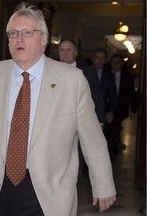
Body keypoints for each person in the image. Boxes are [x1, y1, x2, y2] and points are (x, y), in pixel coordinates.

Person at [0, 2, 116, 216]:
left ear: (44, 40)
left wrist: (103, 185)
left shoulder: (71, 81)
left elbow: (92, 139)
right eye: (13, 33)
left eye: (27, 32)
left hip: (48, 193)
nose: (19, 39)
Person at [58, 39, 105, 186]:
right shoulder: (50, 70)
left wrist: (100, 121)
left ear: (76, 53)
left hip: (80, 123)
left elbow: (97, 96)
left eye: (69, 50)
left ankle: (73, 193)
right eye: (62, 50)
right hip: (57, 124)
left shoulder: (87, 71)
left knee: (76, 160)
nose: (65, 54)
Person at [92, 48, 118, 160]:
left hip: (102, 112)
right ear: (93, 58)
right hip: (85, 110)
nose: (100, 61)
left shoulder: (109, 76)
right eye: (97, 58)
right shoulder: (83, 72)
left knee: (100, 140)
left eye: (103, 58)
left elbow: (113, 95)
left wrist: (111, 111)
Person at [108, 54, 137, 154]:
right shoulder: (106, 74)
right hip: (107, 108)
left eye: (118, 62)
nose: (115, 64)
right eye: (113, 62)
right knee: (108, 131)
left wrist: (133, 110)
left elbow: (132, 94)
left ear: (121, 64)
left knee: (115, 130)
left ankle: (112, 152)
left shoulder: (127, 76)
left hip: (120, 108)